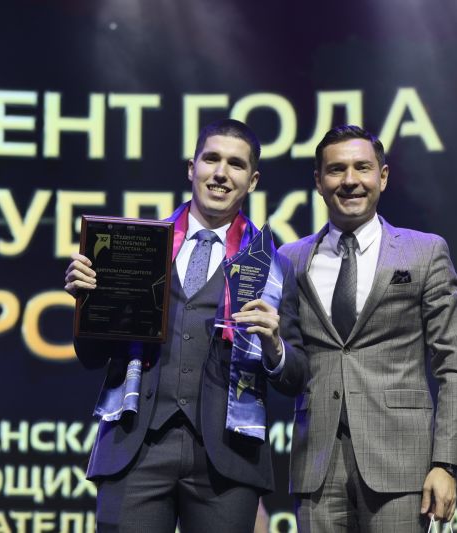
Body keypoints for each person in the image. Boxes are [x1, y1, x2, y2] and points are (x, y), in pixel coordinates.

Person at [64, 119, 306, 533]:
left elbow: (296, 375)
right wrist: (88, 304)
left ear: (252, 180)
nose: (221, 173)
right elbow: (91, 357)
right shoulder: (134, 248)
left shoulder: (274, 266)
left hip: (227, 459)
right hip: (136, 448)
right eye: (211, 159)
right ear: (191, 168)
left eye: (236, 164)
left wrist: (274, 345)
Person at [279, 125, 457, 532]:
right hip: (317, 464)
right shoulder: (290, 259)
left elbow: (455, 364)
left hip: (401, 462)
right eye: (336, 169)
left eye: (362, 168)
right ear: (318, 181)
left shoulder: (424, 252)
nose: (350, 180)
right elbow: (289, 361)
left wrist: (446, 463)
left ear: (382, 177)